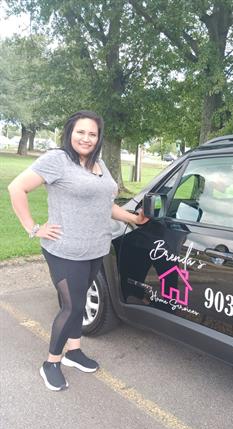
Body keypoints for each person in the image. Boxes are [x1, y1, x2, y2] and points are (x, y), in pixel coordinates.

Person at [8, 110, 149, 391]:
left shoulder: (99, 164)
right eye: (80, 132)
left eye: (92, 133)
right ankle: (51, 363)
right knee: (72, 307)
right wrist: (33, 228)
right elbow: (16, 188)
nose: (86, 138)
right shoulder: (56, 160)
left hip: (96, 248)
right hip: (65, 250)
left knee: (79, 303)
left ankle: (74, 352)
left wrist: (134, 219)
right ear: (70, 132)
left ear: (98, 138)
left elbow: (104, 204)